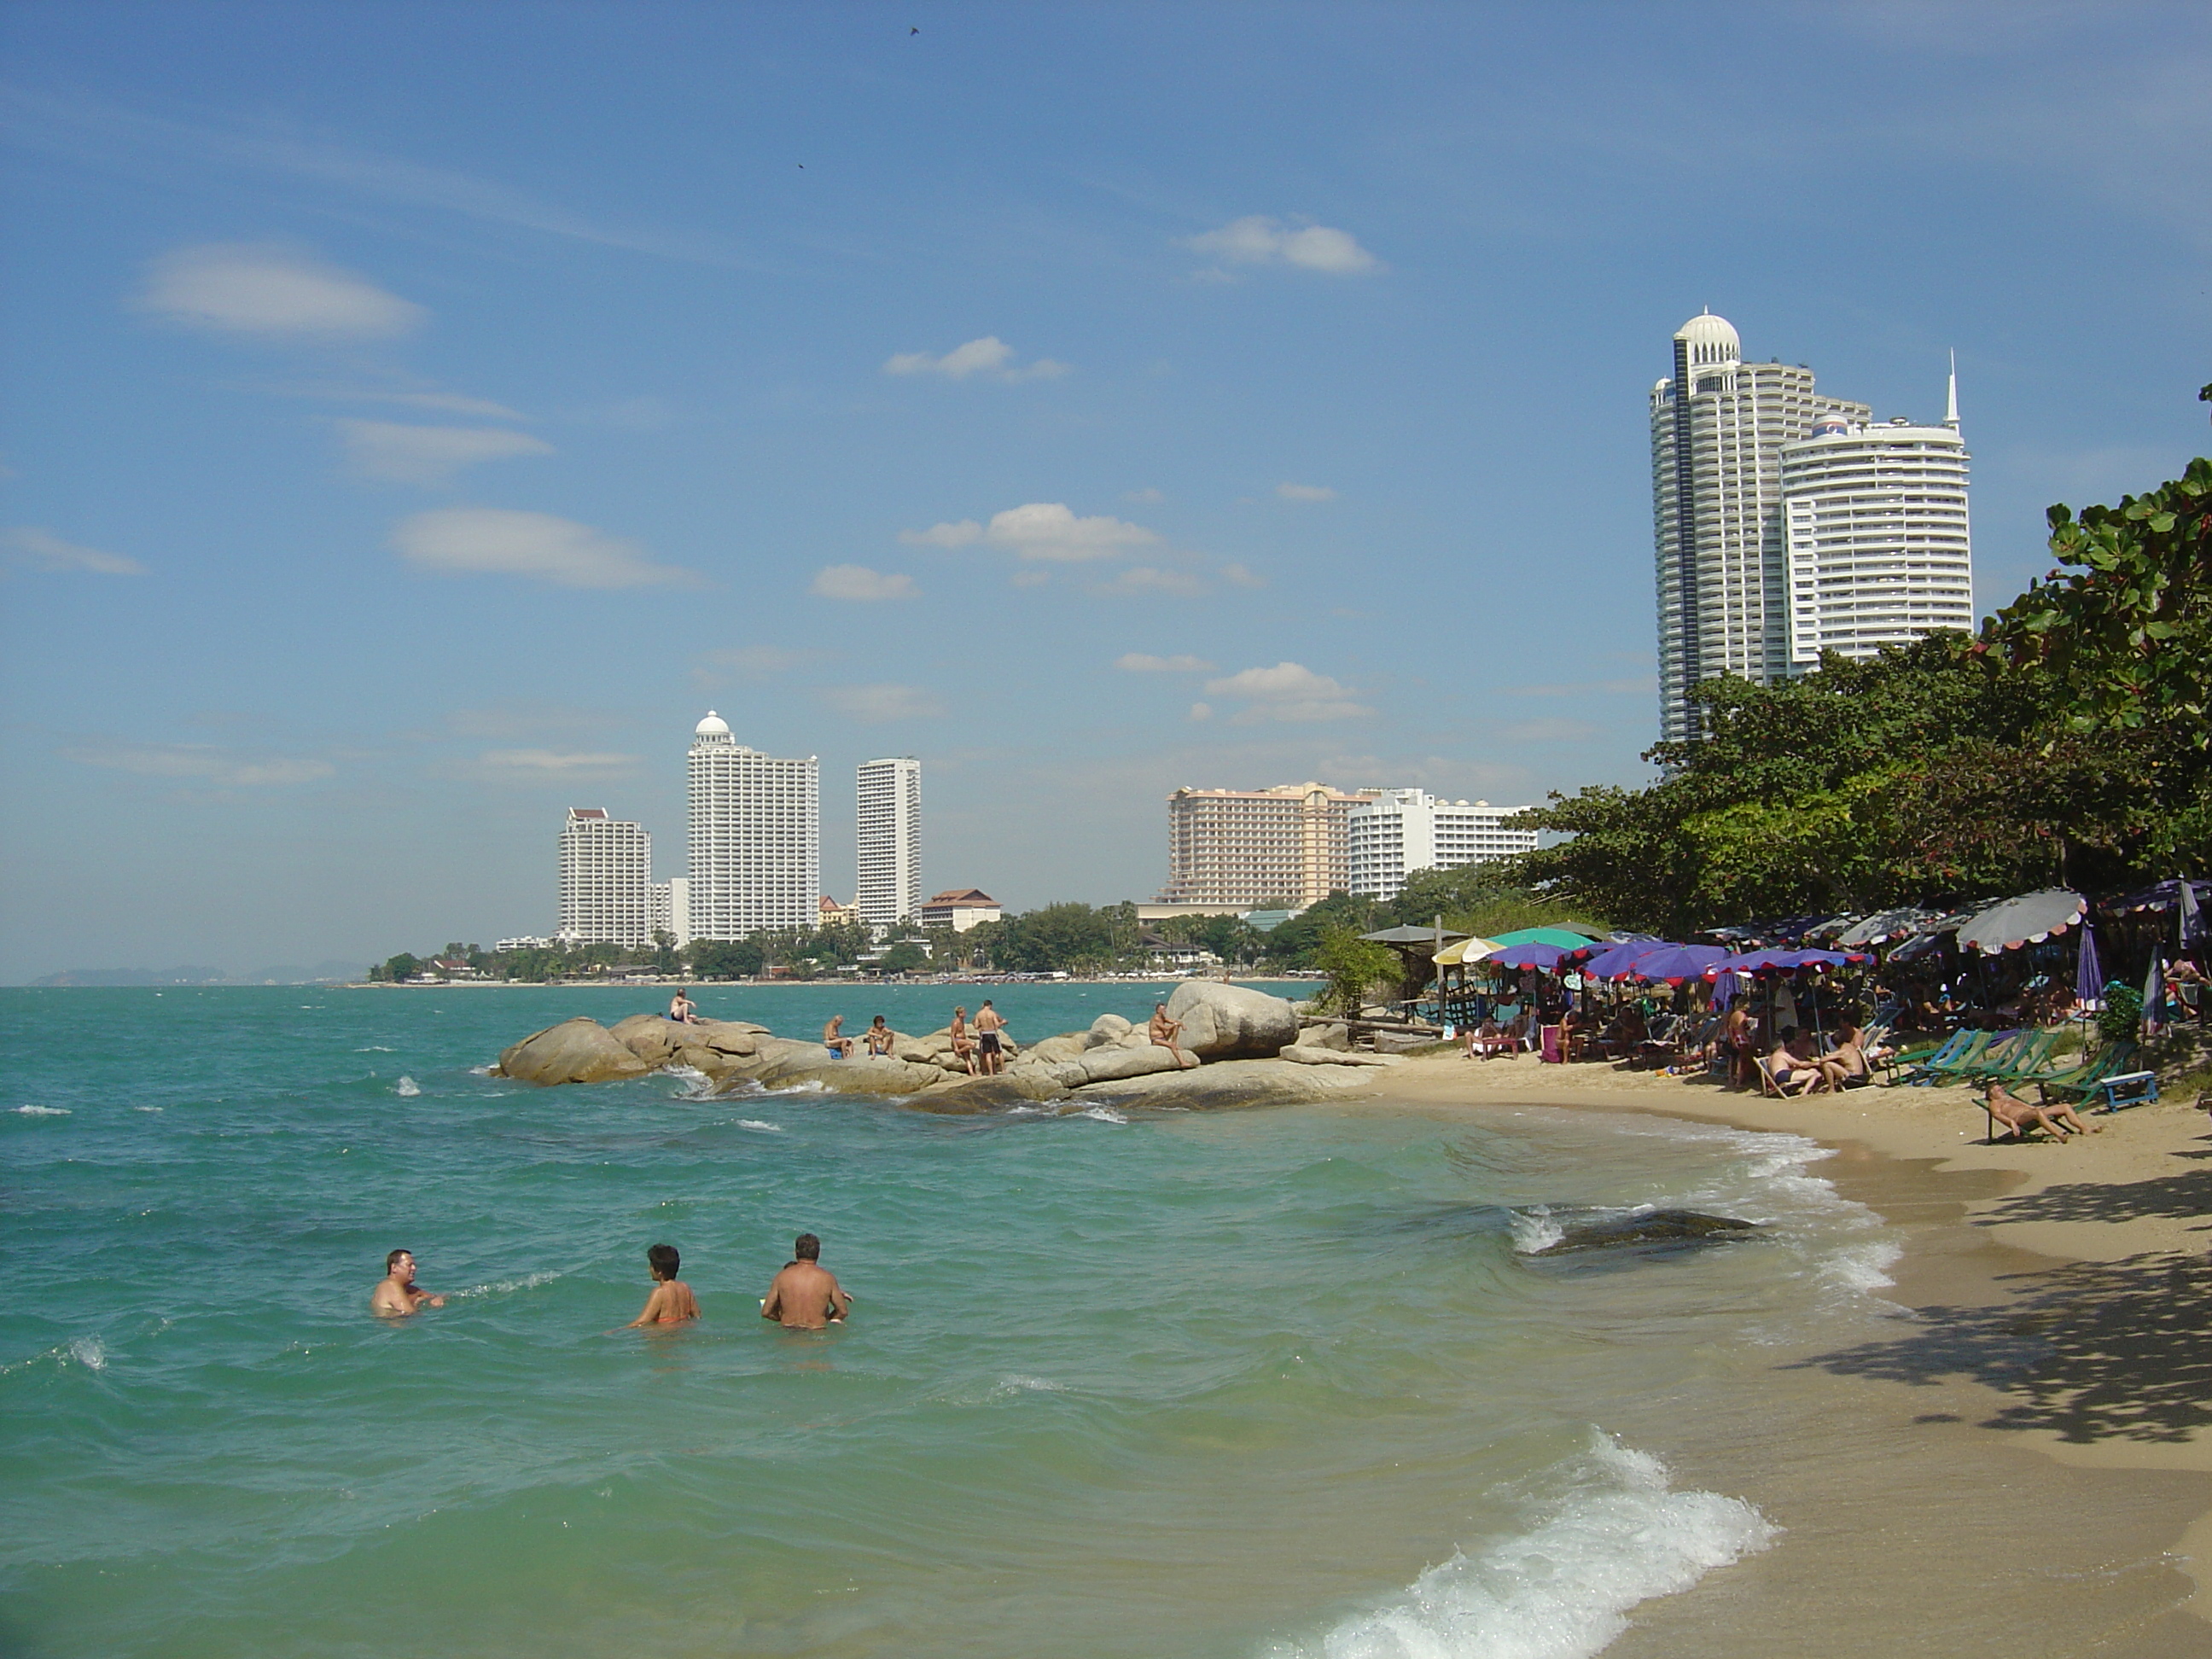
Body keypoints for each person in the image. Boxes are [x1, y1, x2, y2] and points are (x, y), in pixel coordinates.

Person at [761, 1232, 851, 1330]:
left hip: (788, 1333)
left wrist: (783, 1318)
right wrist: (824, 1319)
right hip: (816, 1333)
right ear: (818, 1254)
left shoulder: (781, 1276)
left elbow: (766, 1312)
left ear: (796, 1252)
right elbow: (843, 1312)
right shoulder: (828, 1278)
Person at [1983, 1080, 2096, 1141]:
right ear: (1991, 1095)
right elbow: (1997, 1114)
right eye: (1998, 1090)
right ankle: (2059, 1135)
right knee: (2038, 1113)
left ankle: (2084, 1129)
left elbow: (2028, 1106)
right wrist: (2011, 1122)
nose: (2002, 1091)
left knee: (2065, 1106)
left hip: (2031, 1112)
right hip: (2020, 1119)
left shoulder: (2009, 1099)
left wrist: (2041, 1109)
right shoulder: (1994, 1103)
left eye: (2001, 1089)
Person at [624, 1243, 701, 1328]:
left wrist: (618, 1331)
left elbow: (642, 1321)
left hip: (663, 1338)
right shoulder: (685, 1288)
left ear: (660, 1272)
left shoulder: (660, 1292)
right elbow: (697, 1316)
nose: (649, 1269)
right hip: (682, 1334)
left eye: (651, 1266)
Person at [370, 1249, 445, 1317]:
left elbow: (439, 1296)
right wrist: (417, 1303)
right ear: (394, 1268)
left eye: (414, 1265)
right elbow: (410, 1313)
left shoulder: (411, 1290)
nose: (414, 1268)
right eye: (409, 1265)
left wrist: (438, 1299)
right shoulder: (390, 1285)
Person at [974, 1000, 1008, 1075]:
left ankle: (991, 1072)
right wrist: (1003, 1022)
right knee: (999, 1052)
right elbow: (997, 1024)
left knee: (987, 1053)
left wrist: (981, 1025)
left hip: (984, 1034)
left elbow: (976, 1026)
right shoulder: (992, 1013)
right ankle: (1003, 1070)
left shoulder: (979, 1014)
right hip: (992, 1033)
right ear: (990, 1005)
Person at [1148, 1002, 1188, 1066]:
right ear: (1158, 1011)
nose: (1165, 1011)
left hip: (1163, 1038)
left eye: (1165, 1009)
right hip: (1156, 1040)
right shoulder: (1156, 1018)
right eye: (1163, 1010)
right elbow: (1166, 1028)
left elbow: (1173, 1021)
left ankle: (1174, 1043)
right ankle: (1182, 1062)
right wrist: (1175, 1024)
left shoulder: (1162, 1018)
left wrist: (1182, 1025)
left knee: (1175, 1027)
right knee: (1172, 1045)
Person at [950, 1006, 977, 1075]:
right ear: (960, 1013)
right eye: (964, 1012)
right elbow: (952, 1035)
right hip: (958, 1040)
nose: (966, 1014)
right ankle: (959, 1052)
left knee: (968, 1058)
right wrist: (956, 1047)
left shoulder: (962, 1021)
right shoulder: (956, 1022)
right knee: (973, 1044)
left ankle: (972, 1073)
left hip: (963, 1040)